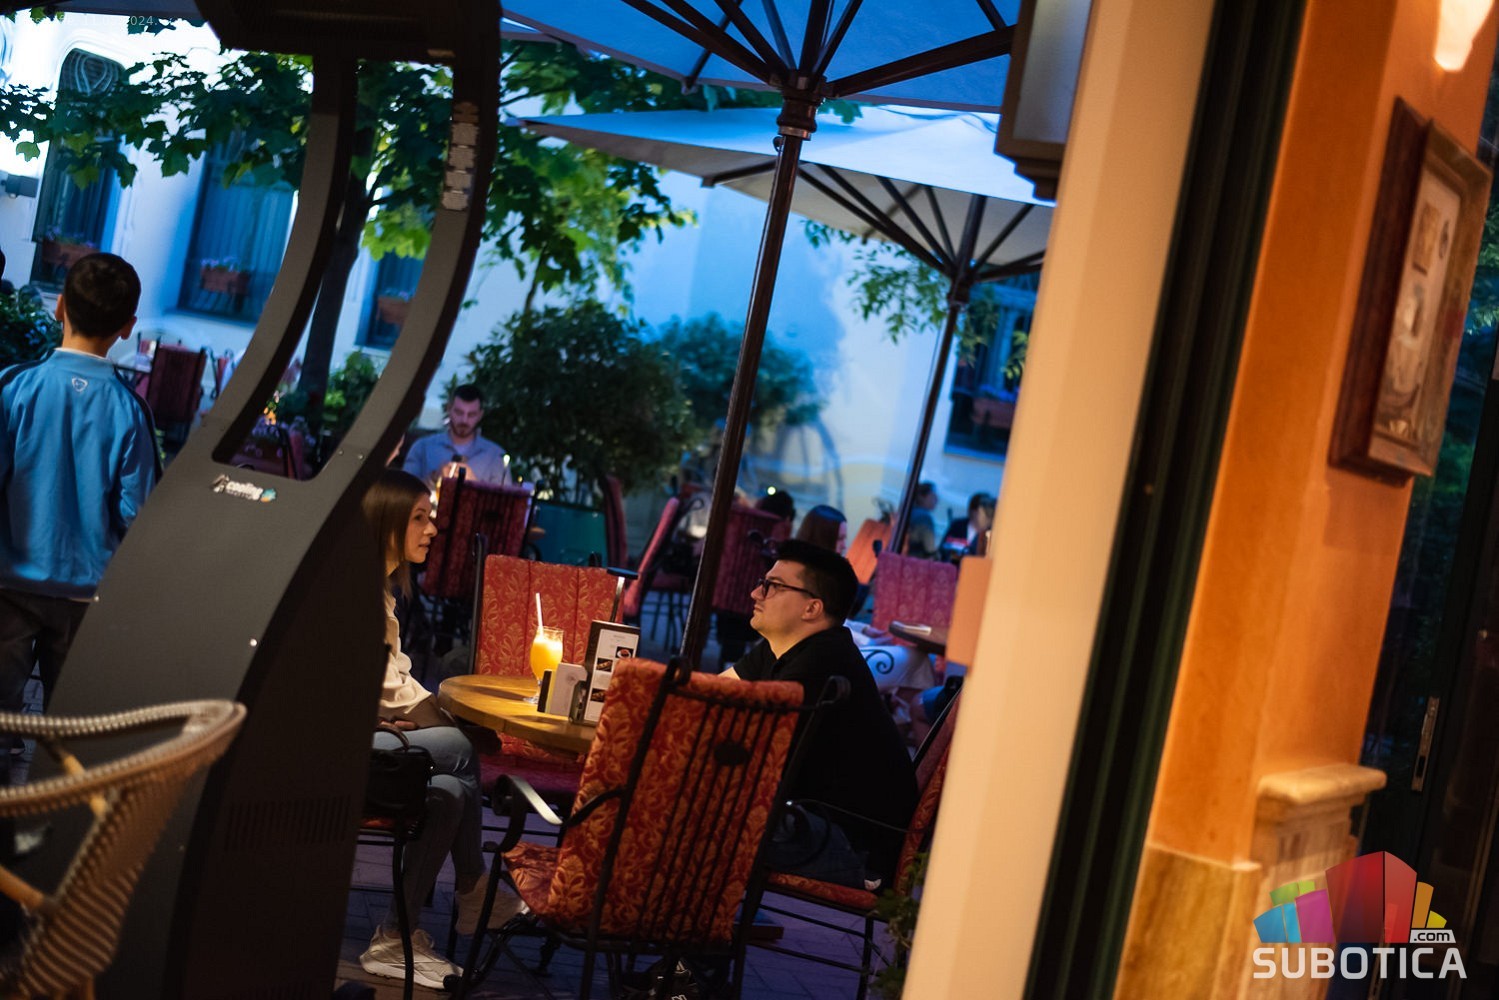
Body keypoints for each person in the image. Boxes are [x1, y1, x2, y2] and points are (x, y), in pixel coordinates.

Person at [358, 469, 518, 988]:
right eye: (419, 518)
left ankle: (393, 939)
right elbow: (394, 691)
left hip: (364, 739)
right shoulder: (353, 588)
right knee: (456, 747)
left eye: (432, 519)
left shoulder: (379, 588)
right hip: (330, 751)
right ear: (385, 521)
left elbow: (396, 679)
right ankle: (473, 890)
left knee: (448, 791)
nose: (432, 529)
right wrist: (454, 729)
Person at [0, 253, 159, 727]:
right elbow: (137, 514)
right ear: (128, 327)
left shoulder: (14, 388)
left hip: (8, 585)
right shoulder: (130, 411)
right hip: (86, 597)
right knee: (72, 729)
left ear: (59, 306)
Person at [725, 540, 917, 888]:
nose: (756, 593)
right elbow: (707, 694)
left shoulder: (823, 662)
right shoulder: (783, 646)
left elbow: (749, 748)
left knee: (701, 812)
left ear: (812, 608)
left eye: (772, 586)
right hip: (809, 818)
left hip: (850, 848)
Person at [403, 384, 512, 489]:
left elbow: (503, 499)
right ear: (449, 409)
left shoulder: (496, 457)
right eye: (459, 413)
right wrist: (434, 477)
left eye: (471, 415)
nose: (464, 420)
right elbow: (404, 490)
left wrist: (474, 485)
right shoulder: (422, 447)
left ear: (480, 415)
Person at [943, 491, 996, 558]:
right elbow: (944, 551)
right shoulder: (957, 526)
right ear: (974, 512)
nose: (988, 518)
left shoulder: (991, 534)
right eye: (985, 511)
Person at [904, 482, 940, 559]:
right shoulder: (924, 518)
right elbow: (930, 549)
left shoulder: (908, 511)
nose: (937, 500)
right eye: (933, 496)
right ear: (921, 497)